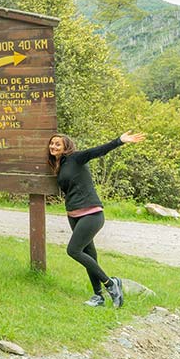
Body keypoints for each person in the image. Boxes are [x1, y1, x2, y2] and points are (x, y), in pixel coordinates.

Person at [48, 130, 147, 308]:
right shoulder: (58, 165)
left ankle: (111, 284)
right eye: (52, 143)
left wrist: (120, 141)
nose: (53, 146)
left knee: (73, 250)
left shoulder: (76, 158)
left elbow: (98, 151)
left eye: (57, 144)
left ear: (65, 147)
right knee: (89, 255)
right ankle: (98, 296)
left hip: (91, 214)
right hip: (74, 215)